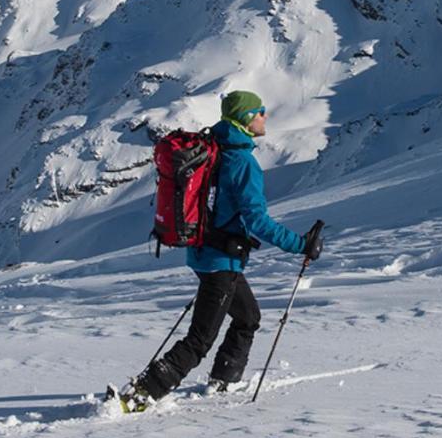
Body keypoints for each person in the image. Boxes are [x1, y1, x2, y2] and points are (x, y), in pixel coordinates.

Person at [131, 91, 322, 403]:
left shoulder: (214, 149)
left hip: (206, 253)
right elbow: (258, 222)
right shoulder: (243, 162)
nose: (265, 116)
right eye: (260, 111)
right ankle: (145, 392)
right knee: (200, 339)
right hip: (220, 261)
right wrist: (300, 245)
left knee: (248, 317)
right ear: (246, 119)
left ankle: (223, 379)